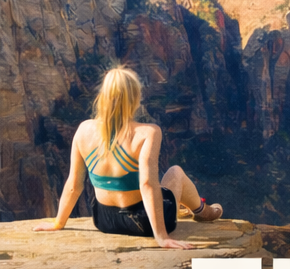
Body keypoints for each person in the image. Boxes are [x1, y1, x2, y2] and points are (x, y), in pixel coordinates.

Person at [34, 66, 222, 250]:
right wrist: (161, 237)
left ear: (103, 98)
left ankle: (197, 210)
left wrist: (58, 222)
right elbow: (147, 184)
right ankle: (203, 212)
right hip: (142, 223)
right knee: (175, 173)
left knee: (163, 185)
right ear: (135, 99)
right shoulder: (148, 133)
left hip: (104, 221)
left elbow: (74, 185)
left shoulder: (83, 129)